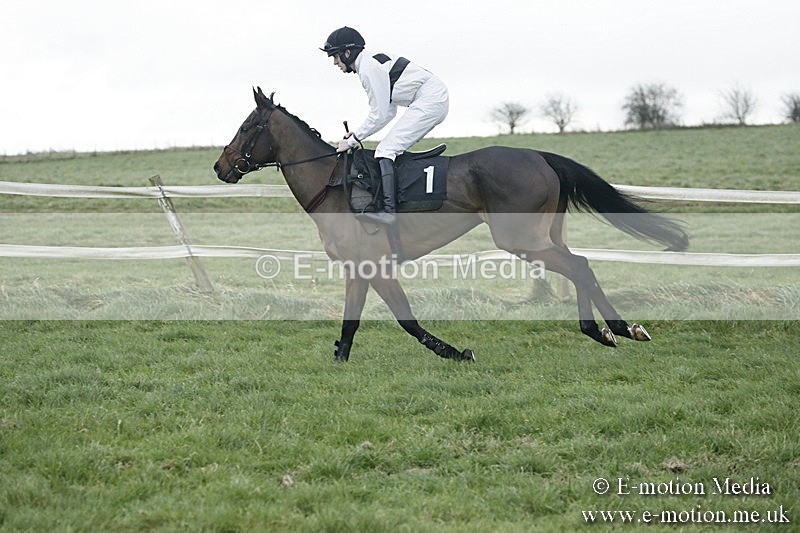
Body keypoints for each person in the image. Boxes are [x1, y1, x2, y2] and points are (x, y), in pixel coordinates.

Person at [321, 26, 449, 225]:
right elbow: (387, 112)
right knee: (388, 149)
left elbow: (379, 114)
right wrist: (357, 135)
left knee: (386, 150)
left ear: (347, 53)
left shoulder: (368, 69)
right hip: (430, 98)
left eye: (335, 56)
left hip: (429, 100)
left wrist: (353, 141)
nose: (335, 62)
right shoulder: (369, 64)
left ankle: (389, 212)